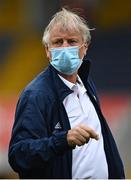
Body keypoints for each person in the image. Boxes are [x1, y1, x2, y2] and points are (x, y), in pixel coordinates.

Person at [8, 8, 125, 179]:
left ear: (85, 47)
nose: (64, 48)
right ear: (47, 50)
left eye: (71, 41)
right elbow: (19, 156)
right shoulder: (36, 95)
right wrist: (63, 140)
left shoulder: (85, 83)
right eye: (58, 42)